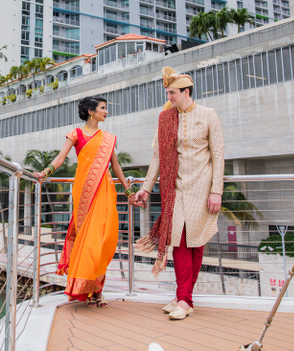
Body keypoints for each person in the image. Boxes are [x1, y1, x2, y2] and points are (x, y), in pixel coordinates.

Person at [133, 67, 225, 321]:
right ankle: (184, 298)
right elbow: (158, 157)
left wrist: (216, 190)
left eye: (172, 92)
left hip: (202, 188)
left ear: (186, 91)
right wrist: (146, 187)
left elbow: (218, 155)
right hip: (174, 189)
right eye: (168, 92)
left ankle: (184, 297)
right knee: (181, 242)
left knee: (195, 243)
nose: (169, 97)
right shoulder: (165, 118)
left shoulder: (208, 115)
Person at [33, 96, 135, 307]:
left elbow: (115, 166)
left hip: (105, 190)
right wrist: (45, 172)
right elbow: (60, 158)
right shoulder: (76, 134)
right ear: (91, 111)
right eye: (103, 108)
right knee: (87, 240)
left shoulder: (107, 138)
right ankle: (92, 292)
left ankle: (96, 287)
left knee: (104, 239)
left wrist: (128, 190)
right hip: (84, 191)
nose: (106, 112)